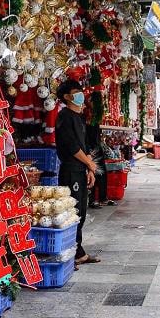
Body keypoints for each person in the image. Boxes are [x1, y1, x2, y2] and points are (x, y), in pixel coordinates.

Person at [55, 80, 100, 266]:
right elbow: (72, 147)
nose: (81, 94)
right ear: (67, 97)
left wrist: (90, 168)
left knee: (81, 211)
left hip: (81, 169)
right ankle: (69, 252)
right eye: (76, 92)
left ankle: (78, 251)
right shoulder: (64, 116)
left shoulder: (79, 117)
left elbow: (84, 144)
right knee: (71, 212)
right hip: (71, 170)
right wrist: (89, 162)